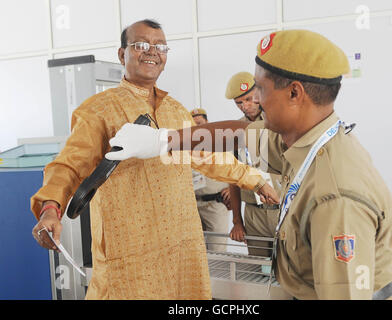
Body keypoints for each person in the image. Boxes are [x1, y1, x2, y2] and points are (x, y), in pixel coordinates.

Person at [107, 29, 392, 300]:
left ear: (294, 93)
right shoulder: (306, 140)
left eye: (260, 90)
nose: (256, 102)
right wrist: (164, 140)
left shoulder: (335, 196)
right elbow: (236, 134)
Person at [30, 19, 279, 300]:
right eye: (140, 45)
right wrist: (50, 207)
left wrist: (256, 181)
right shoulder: (98, 110)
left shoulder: (177, 110)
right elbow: (68, 165)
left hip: (182, 245)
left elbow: (209, 156)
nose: (152, 51)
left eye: (160, 46)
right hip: (130, 251)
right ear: (122, 54)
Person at [225, 72, 282, 257]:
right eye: (239, 103)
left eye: (248, 99)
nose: (245, 106)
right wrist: (237, 221)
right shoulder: (236, 129)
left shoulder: (278, 123)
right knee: (259, 270)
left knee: (290, 269)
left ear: (258, 93)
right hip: (253, 213)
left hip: (281, 209)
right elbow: (233, 176)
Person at [190, 108, 231, 252]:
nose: (197, 128)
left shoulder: (221, 144)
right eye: (193, 125)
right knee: (195, 252)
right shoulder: (185, 147)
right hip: (193, 205)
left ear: (207, 123)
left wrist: (233, 190)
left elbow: (237, 167)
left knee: (218, 251)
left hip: (216, 204)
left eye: (200, 123)